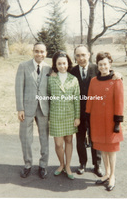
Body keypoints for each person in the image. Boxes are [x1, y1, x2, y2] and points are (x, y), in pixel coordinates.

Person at [71, 44, 121, 176]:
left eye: (83, 55)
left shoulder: (97, 67)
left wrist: (118, 74)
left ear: (89, 55)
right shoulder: (72, 71)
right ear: (75, 57)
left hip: (96, 112)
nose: (81, 58)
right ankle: (82, 163)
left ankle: (97, 165)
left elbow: (109, 74)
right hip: (78, 111)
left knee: (95, 139)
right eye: (78, 55)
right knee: (80, 138)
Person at [86, 52, 124, 191]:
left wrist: (117, 122)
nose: (103, 66)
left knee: (111, 150)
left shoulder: (116, 80)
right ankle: (106, 173)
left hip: (110, 121)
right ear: (98, 65)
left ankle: (112, 175)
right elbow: (90, 99)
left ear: (110, 64)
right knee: (102, 148)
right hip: (96, 119)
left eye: (105, 64)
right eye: (100, 64)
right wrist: (87, 117)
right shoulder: (94, 80)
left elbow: (119, 102)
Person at [15, 42, 51, 179]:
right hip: (27, 108)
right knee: (25, 138)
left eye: (42, 52)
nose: (39, 54)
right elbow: (18, 88)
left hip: (44, 108)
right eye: (37, 51)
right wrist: (20, 108)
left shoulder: (49, 68)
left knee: (44, 138)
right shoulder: (23, 66)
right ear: (33, 52)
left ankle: (43, 165)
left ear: (46, 53)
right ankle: (28, 164)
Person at [48, 51, 80, 180]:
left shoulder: (73, 79)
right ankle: (61, 164)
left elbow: (77, 99)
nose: (62, 66)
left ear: (68, 63)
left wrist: (77, 117)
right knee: (58, 144)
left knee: (69, 141)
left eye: (64, 63)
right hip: (56, 116)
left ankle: (68, 166)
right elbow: (48, 96)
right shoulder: (51, 78)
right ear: (55, 65)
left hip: (69, 115)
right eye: (59, 63)